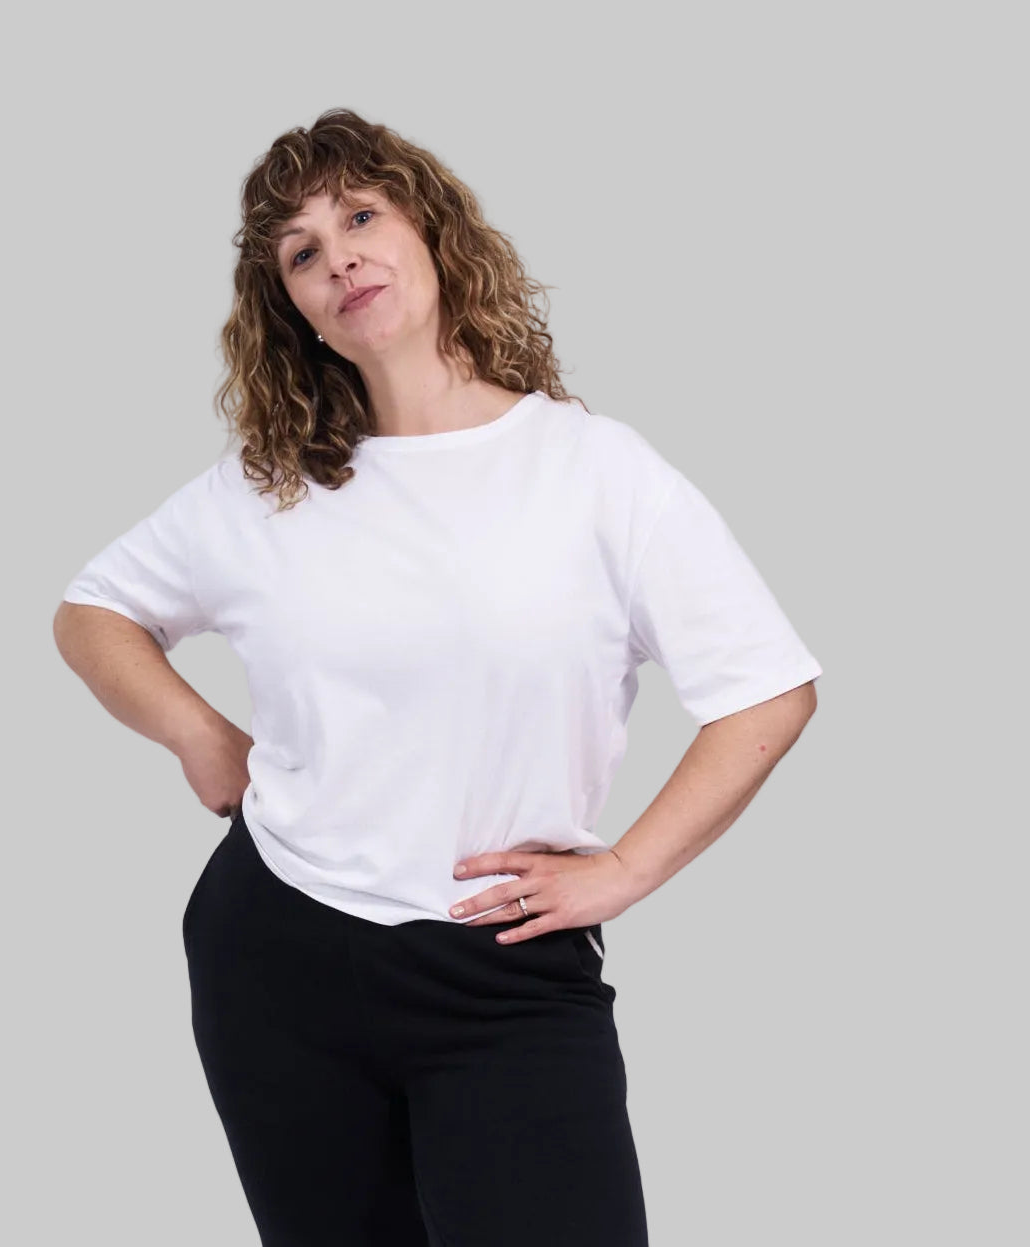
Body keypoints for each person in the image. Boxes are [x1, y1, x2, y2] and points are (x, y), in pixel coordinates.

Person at [54, 108, 821, 1247]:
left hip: (502, 974)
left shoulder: (592, 471)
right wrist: (200, 734)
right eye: (301, 252)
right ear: (293, 308)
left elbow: (766, 687)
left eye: (359, 216)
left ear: (433, 231)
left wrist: (623, 869)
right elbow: (92, 611)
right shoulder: (269, 486)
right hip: (275, 958)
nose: (338, 257)